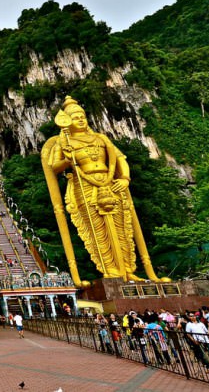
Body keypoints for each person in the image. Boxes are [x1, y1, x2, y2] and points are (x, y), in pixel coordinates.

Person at [42, 96, 168, 285]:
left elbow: (119, 159)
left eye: (82, 116)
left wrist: (125, 178)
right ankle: (109, 270)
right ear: (67, 121)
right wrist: (68, 160)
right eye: (75, 117)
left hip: (111, 184)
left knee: (122, 228)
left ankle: (128, 270)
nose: (81, 119)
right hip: (84, 186)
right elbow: (53, 167)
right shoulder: (63, 143)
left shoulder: (100, 138)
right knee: (96, 230)